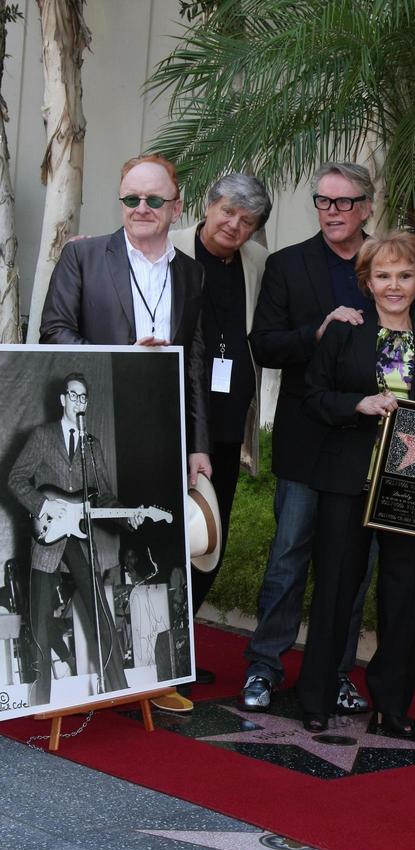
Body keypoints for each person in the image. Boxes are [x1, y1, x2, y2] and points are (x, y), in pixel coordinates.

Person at [243, 161, 415, 714]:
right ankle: (264, 667)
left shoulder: (390, 260)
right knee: (289, 555)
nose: (331, 211)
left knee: (350, 568)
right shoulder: (288, 264)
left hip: (371, 449)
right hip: (309, 434)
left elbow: (411, 339)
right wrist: (319, 331)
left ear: (366, 207)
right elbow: (262, 346)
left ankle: (337, 672)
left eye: (343, 202)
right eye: (322, 201)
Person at [39, 153, 212, 714]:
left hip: (164, 434)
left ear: (175, 205)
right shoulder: (85, 255)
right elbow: (53, 332)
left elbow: (196, 365)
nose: (140, 209)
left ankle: (157, 676)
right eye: (131, 198)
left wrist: (199, 447)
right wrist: (118, 356)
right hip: (100, 427)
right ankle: (78, 680)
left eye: (153, 200)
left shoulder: (190, 272)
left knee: (161, 552)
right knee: (97, 555)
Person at [297, 231, 415, 733]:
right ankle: (317, 698)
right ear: (367, 281)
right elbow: (313, 398)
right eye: (383, 276)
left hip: (411, 482)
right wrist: (358, 403)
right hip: (346, 478)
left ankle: (392, 706)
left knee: (404, 592)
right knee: (333, 588)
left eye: (404, 275)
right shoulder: (344, 331)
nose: (394, 285)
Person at [8, 373, 145, 707]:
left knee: (100, 612)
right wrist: (44, 504)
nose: (78, 402)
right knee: (40, 624)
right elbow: (16, 478)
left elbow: (106, 497)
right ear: (62, 400)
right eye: (73, 395)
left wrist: (128, 516)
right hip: (48, 536)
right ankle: (42, 704)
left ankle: (118, 691)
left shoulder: (91, 445)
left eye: (84, 398)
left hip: (80, 538)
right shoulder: (42, 436)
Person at [170, 173, 271, 614]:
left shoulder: (258, 262)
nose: (234, 225)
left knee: (210, 533)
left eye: (246, 220)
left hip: (228, 422)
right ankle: (158, 648)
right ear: (208, 206)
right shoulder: (168, 245)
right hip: (172, 416)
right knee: (166, 531)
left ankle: (183, 644)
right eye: (228, 211)